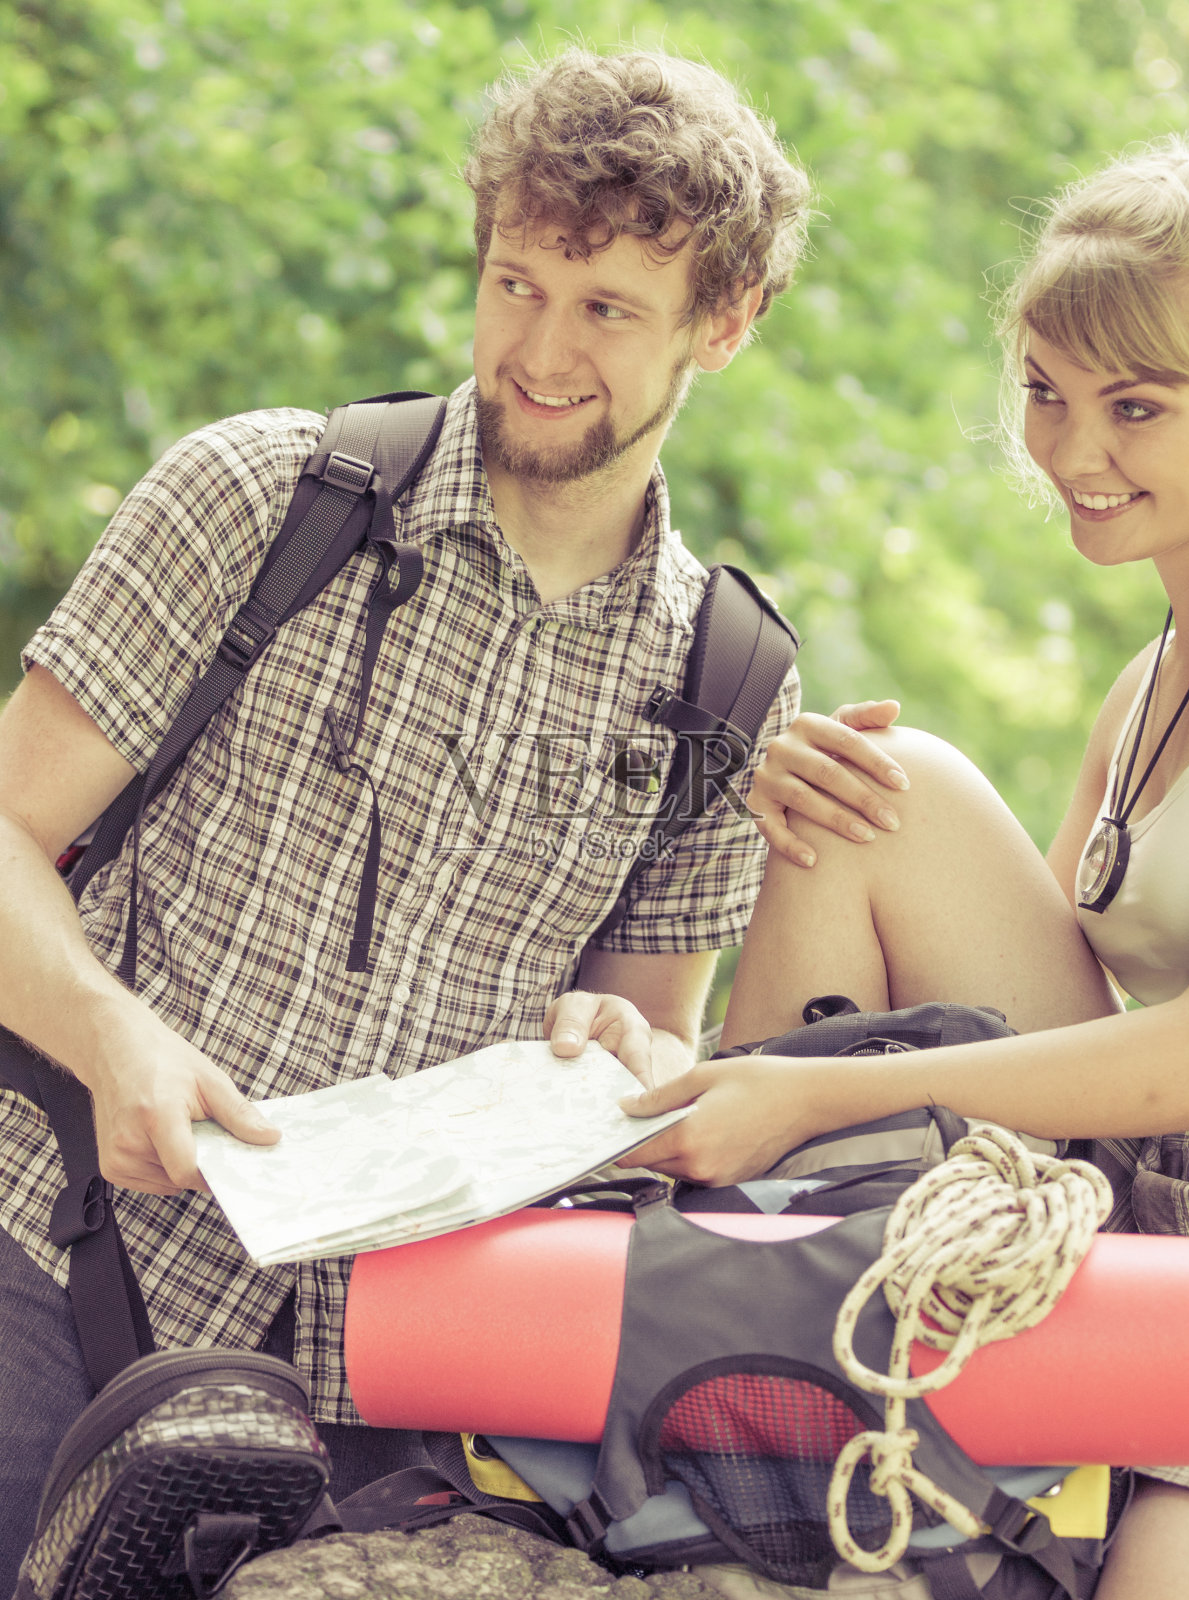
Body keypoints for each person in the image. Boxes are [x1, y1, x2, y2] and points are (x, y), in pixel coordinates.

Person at [0, 47, 815, 1582]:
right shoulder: (259, 496)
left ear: (728, 320)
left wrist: (634, 1067)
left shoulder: (729, 682)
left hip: (379, 1406)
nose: (541, 350)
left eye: (607, 310)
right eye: (515, 284)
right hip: (44, 1266)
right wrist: (115, 1040)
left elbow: (646, 1043)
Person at [616, 136, 1189, 1597]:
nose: (1072, 453)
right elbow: (1045, 1008)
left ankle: (770, 1190)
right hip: (1139, 1194)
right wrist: (787, 800)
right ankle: (740, 1283)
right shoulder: (1150, 687)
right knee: (882, 786)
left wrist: (829, 1091)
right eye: (1049, 396)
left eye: (1136, 407)